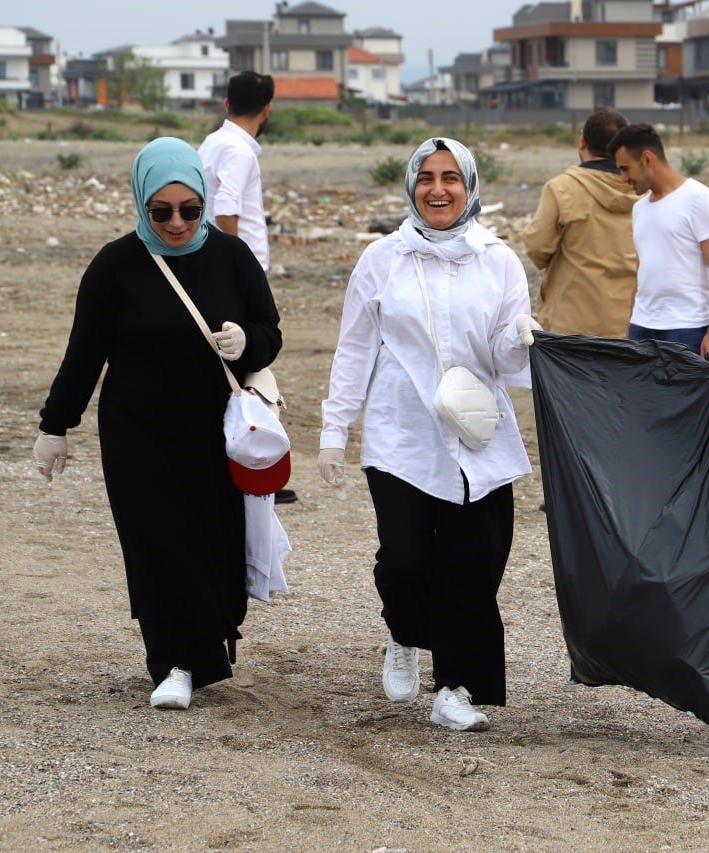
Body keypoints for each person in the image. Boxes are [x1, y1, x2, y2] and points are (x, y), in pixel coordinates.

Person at [33, 137, 283, 711]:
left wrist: (248, 343)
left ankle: (211, 636)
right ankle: (172, 662)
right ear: (141, 203)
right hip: (136, 432)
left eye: (190, 210)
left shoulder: (231, 258)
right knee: (156, 543)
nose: (176, 223)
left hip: (215, 431)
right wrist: (55, 425)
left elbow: (269, 330)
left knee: (215, 541)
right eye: (161, 211)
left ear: (203, 202)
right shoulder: (114, 266)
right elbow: (84, 354)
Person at [317, 137, 540, 732]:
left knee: (474, 564)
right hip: (402, 435)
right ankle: (403, 630)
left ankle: (456, 688)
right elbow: (355, 348)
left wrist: (519, 336)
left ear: (470, 189)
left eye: (451, 179)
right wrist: (335, 429)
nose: (437, 189)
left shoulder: (498, 260)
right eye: (426, 177)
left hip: (477, 434)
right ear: (411, 185)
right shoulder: (382, 259)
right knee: (405, 563)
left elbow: (506, 366)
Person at [608, 123, 709, 526]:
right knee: (648, 412)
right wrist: (631, 319)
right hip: (644, 324)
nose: (623, 179)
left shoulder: (698, 199)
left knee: (704, 410)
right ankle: (671, 490)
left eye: (626, 169)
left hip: (687, 326)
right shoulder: (639, 208)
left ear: (648, 158)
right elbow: (644, 268)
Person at [198, 70, 295, 505]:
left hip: (217, 267)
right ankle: (252, 465)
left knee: (228, 367)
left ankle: (242, 463)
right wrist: (232, 266)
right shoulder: (238, 149)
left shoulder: (214, 143)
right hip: (238, 273)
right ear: (268, 108)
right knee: (248, 366)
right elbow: (226, 207)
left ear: (225, 103)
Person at [522, 106, 637, 338]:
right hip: (630, 323)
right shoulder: (644, 191)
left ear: (582, 142)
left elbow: (538, 248)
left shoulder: (562, 188)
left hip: (570, 324)